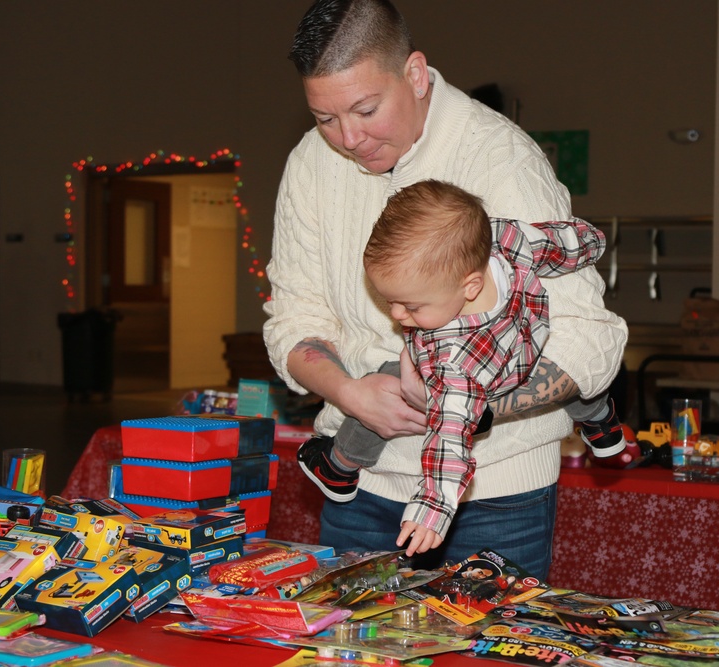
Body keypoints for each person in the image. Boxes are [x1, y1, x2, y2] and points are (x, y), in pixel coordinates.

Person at [263, 0, 627, 579]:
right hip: (359, 486)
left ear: (413, 73)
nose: (348, 138)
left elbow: (589, 343)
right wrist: (352, 395)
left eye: (365, 109)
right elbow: (294, 316)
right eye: (325, 118)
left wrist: (459, 406)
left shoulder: (501, 160)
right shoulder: (312, 161)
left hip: (496, 495)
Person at [296, 180, 628, 555]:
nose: (396, 314)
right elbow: (558, 244)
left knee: (387, 376)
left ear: (469, 286)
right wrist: (592, 241)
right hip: (528, 345)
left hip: (486, 375)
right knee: (575, 384)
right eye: (389, 301)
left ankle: (339, 464)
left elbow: (449, 440)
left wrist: (432, 509)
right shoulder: (505, 240)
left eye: (411, 306)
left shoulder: (450, 364)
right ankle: (602, 423)